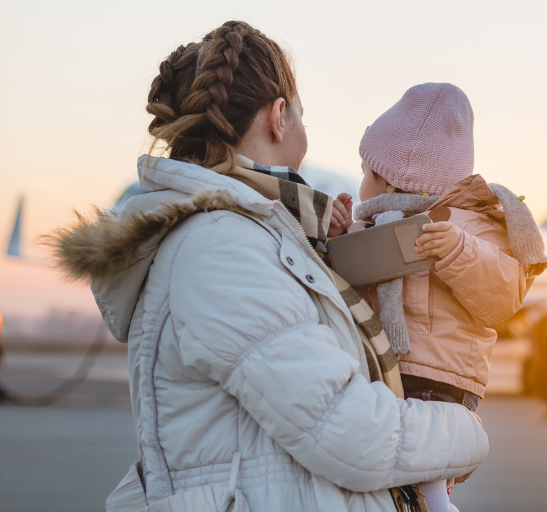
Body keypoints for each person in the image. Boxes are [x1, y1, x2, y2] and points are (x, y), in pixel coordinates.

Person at [48, 22, 487, 511]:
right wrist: (465, 430)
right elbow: (348, 432)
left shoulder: (246, 235)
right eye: (301, 112)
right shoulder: (221, 247)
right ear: (279, 117)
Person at [350, 82, 547, 512]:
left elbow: (502, 295)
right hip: (387, 372)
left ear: (391, 177)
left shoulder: (472, 225)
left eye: (366, 172)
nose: (361, 185)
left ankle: (439, 503)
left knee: (427, 469)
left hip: (442, 379)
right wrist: (335, 238)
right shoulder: (370, 227)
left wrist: (457, 250)